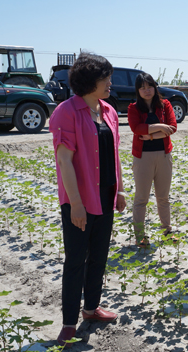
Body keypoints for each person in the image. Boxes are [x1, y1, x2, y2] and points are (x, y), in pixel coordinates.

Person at [49, 53, 126, 347]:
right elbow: (64, 162)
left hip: (105, 196)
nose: (110, 82)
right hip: (79, 200)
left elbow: (114, 154)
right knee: (75, 262)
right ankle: (69, 323)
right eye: (105, 77)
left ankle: (91, 309)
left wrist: (119, 189)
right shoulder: (66, 112)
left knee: (98, 257)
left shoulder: (108, 110)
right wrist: (76, 204)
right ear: (88, 81)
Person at [127, 72, 177, 247]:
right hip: (142, 158)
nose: (147, 91)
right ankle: (140, 236)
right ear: (138, 91)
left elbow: (172, 128)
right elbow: (136, 128)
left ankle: (167, 231)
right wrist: (160, 127)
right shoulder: (133, 108)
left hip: (164, 155)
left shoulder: (166, 105)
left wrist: (150, 136)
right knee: (141, 198)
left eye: (150, 86)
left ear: (155, 87)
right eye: (142, 88)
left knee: (163, 197)